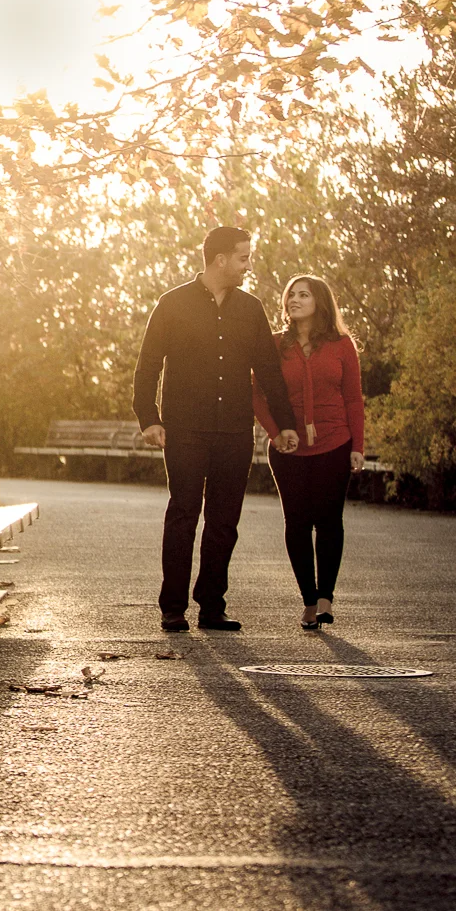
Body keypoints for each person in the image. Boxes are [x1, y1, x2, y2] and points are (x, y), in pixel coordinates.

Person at [134, 226, 299, 632]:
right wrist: (149, 418)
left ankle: (211, 606)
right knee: (184, 514)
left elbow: (269, 373)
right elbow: (148, 366)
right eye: (244, 257)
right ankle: (172, 608)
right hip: (185, 428)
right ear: (220, 260)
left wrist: (284, 426)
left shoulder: (250, 308)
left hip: (234, 431)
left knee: (224, 520)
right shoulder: (172, 304)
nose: (248, 265)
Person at [253, 275, 365, 631]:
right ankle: (307, 601)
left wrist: (358, 446)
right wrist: (274, 432)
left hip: (335, 443)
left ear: (320, 302)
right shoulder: (274, 345)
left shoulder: (342, 345)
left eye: (303, 295)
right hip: (289, 449)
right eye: (291, 295)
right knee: (297, 524)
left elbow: (353, 398)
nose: (294, 300)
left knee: (329, 521)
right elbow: (255, 394)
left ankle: (326, 598)